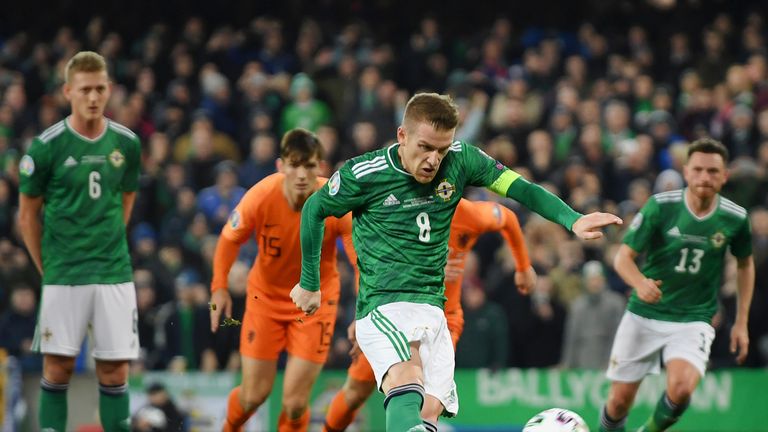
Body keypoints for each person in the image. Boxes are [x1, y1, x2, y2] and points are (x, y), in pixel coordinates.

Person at [292, 93, 621, 432]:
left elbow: (519, 189)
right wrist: (309, 282)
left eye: (442, 150)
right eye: (425, 147)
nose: (434, 160)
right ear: (401, 136)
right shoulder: (365, 173)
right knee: (406, 378)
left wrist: (572, 219)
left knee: (428, 412)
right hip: (383, 305)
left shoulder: (463, 160)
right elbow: (315, 210)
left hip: (435, 310)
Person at [321, 197, 536, 432]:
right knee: (355, 393)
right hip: (396, 314)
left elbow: (508, 219)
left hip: (445, 321)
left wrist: (523, 268)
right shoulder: (398, 209)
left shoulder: (469, 214)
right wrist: (362, 312)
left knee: (428, 406)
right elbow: (375, 265)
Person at [18, 51, 141, 432]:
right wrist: (48, 268)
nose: (93, 97)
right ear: (68, 91)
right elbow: (27, 216)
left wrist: (108, 244)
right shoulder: (46, 147)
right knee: (58, 365)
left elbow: (126, 201)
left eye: (100, 89)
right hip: (64, 273)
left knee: (115, 369)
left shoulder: (127, 144)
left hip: (113, 272)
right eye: (85, 89)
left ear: (110, 91)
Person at [600, 138, 755, 432]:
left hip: (693, 317)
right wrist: (639, 282)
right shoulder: (661, 206)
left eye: (712, 171)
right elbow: (623, 257)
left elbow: (746, 265)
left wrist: (741, 321)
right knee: (619, 402)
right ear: (686, 172)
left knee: (682, 389)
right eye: (698, 169)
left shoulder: (735, 218)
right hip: (644, 313)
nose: (704, 177)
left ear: (725, 176)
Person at [209, 128, 355, 431]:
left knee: (295, 403)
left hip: (316, 303)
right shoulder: (261, 196)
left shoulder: (337, 202)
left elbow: (360, 259)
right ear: (281, 166)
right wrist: (219, 286)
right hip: (265, 300)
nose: (301, 174)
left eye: (309, 166)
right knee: (253, 396)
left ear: (321, 168)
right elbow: (228, 239)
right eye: (294, 164)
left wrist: (366, 308)